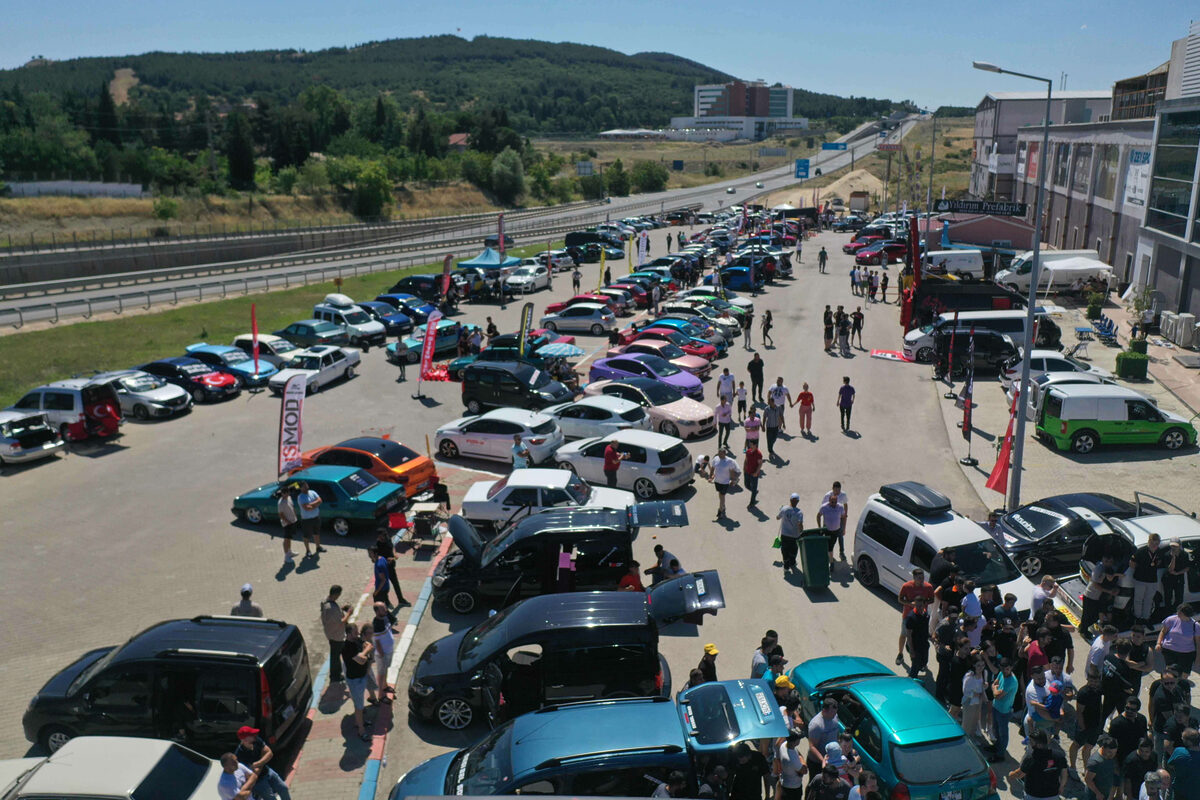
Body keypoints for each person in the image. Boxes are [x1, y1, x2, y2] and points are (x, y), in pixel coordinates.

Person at [341, 622, 377, 741]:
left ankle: (359, 721)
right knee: (359, 706)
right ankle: (361, 730)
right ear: (349, 633)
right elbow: (360, 660)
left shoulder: (357, 641)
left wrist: (365, 650)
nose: (358, 633)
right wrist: (366, 650)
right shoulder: (346, 647)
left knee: (360, 704)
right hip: (355, 681)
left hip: (362, 677)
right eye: (355, 632)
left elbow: (366, 648)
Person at [234, 725, 291, 800]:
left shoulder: (256, 740)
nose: (255, 735)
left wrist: (257, 763)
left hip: (268, 772)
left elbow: (269, 753)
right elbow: (253, 773)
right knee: (271, 798)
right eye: (251, 735)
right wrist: (263, 758)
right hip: (259, 782)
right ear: (245, 740)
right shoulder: (240, 755)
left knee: (283, 789)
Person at [1009, 729, 1068, 800]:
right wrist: (1061, 786)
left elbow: (1019, 775)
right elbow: (1064, 773)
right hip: (1052, 794)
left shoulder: (1031, 758)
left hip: (1033, 795)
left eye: (1031, 742)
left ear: (1039, 745)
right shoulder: (1059, 756)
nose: (1029, 743)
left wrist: (1011, 774)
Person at [898, 568, 935, 666]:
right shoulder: (906, 586)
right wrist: (910, 604)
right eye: (919, 578)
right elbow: (900, 599)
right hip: (908, 616)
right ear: (914, 577)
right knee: (904, 634)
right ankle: (900, 653)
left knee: (921, 637)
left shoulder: (928, 587)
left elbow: (932, 600)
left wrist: (922, 604)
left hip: (922, 617)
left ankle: (921, 660)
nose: (922, 580)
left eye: (922, 578)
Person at [320, 585, 352, 684]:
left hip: (331, 633)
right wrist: (349, 613)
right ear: (336, 594)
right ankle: (335, 676)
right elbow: (342, 621)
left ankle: (337, 674)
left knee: (335, 655)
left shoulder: (326, 601)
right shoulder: (331, 608)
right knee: (335, 656)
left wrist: (341, 609)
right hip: (336, 635)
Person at [1131, 534, 1165, 625]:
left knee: (1149, 600)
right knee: (1138, 599)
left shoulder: (1159, 552)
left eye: (1157, 544)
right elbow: (1132, 563)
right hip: (1140, 579)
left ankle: (1146, 619)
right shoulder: (1141, 551)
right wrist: (1140, 569)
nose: (1154, 545)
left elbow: (1159, 562)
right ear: (1149, 541)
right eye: (1153, 543)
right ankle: (1138, 618)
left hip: (1152, 580)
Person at [1157, 604, 1200, 675]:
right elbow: (1163, 631)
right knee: (1170, 673)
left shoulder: (1195, 625)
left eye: (1180, 613)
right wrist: (1158, 643)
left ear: (1186, 614)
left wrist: (1198, 657)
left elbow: (1198, 643)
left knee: (1184, 674)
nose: (1177, 614)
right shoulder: (1171, 619)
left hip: (1187, 654)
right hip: (1170, 651)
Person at [991, 657, 1018, 762]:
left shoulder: (1011, 681)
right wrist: (995, 689)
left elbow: (997, 695)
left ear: (1011, 667)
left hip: (1004, 711)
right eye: (1002, 669)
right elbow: (996, 682)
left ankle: (1000, 755)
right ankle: (997, 747)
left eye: (1007, 669)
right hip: (996, 707)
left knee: (1003, 734)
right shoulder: (1002, 673)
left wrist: (994, 688)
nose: (1004, 671)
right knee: (995, 729)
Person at [806, 698, 841, 776]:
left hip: (831, 760)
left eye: (835, 712)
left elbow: (836, 733)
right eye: (832, 713)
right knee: (815, 783)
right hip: (817, 762)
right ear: (824, 710)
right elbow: (812, 747)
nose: (834, 715)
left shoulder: (835, 716)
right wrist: (823, 761)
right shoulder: (816, 725)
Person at [371, 602, 399, 702]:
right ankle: (381, 696)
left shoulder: (385, 617)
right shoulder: (376, 624)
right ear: (377, 611)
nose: (386, 610)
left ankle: (385, 686)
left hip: (389, 650)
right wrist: (381, 654)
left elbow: (392, 625)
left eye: (385, 607)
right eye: (383, 609)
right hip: (382, 654)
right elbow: (376, 641)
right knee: (381, 673)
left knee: (386, 669)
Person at [1168, 729, 1200, 800]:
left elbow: (1170, 765)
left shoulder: (1179, 751)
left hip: (1180, 791)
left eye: (1183, 739)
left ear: (1189, 742)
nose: (1182, 739)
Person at [905, 598, 932, 680]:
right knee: (915, 668)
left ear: (924, 604)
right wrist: (912, 651)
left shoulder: (925, 614)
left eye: (920, 605)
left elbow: (926, 628)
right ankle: (911, 681)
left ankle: (921, 666)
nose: (919, 607)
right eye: (917, 605)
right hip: (915, 645)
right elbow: (909, 635)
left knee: (924, 661)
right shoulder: (911, 617)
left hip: (924, 643)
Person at [776, 730, 808, 800]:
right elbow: (804, 770)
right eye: (799, 739)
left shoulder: (783, 745)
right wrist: (801, 758)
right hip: (793, 788)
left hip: (785, 782)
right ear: (794, 742)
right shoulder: (793, 759)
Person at [1085, 735, 1119, 800]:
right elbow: (1088, 779)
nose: (1113, 755)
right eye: (1109, 752)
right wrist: (1098, 793)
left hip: (1106, 792)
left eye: (1115, 752)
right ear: (1103, 748)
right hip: (1095, 796)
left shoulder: (1110, 756)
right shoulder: (1095, 762)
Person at [818, 492, 846, 567]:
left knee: (831, 545)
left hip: (836, 531)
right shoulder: (824, 507)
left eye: (835, 502)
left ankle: (829, 557)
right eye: (832, 502)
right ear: (829, 501)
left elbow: (843, 517)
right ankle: (831, 563)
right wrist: (820, 527)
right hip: (827, 530)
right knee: (829, 547)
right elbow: (818, 516)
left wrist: (843, 528)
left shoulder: (840, 507)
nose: (834, 504)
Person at [822, 482, 849, 561]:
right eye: (836, 491)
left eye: (839, 491)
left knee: (840, 536)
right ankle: (829, 553)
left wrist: (845, 516)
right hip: (829, 518)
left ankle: (841, 552)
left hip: (839, 518)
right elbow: (823, 508)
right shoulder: (827, 496)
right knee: (829, 537)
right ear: (833, 489)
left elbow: (845, 505)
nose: (837, 493)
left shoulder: (843, 495)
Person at [777, 494, 804, 572]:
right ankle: (792, 562)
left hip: (785, 534)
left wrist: (781, 511)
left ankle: (786, 566)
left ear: (790, 500)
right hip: (794, 535)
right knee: (794, 549)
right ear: (798, 501)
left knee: (785, 550)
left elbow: (777, 517)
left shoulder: (784, 509)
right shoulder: (799, 512)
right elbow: (800, 524)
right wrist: (801, 532)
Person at [710, 447, 739, 519]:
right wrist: (711, 476)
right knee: (720, 494)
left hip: (725, 482)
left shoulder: (729, 461)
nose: (719, 455)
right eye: (718, 453)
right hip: (717, 481)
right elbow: (712, 468)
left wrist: (733, 480)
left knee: (722, 496)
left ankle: (720, 510)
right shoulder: (716, 458)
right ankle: (723, 505)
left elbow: (732, 472)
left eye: (721, 454)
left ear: (724, 453)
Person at [296, 481, 323, 556]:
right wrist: (315, 503)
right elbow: (307, 508)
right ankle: (308, 550)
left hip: (316, 517)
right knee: (306, 536)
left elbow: (320, 500)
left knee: (317, 533)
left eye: (307, 485)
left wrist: (311, 504)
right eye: (304, 487)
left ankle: (318, 547)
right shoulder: (300, 497)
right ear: (301, 488)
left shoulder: (312, 492)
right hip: (307, 520)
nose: (307, 487)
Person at [1163, 539, 1190, 614]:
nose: (1173, 548)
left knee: (1179, 598)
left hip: (1179, 578)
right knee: (1168, 597)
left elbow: (1187, 568)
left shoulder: (1184, 554)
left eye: (1175, 546)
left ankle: (1177, 612)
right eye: (1172, 546)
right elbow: (1170, 569)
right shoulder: (1167, 555)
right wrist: (1173, 558)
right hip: (1168, 578)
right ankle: (1168, 613)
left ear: (1179, 546)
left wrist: (1178, 573)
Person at [277, 487, 298, 563]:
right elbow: (281, 514)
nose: (287, 495)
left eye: (288, 493)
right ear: (282, 493)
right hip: (287, 524)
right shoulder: (280, 503)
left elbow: (292, 507)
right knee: (286, 539)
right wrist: (288, 521)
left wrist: (295, 516)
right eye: (285, 493)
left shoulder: (289, 498)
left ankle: (290, 552)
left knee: (289, 538)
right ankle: (286, 557)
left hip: (293, 521)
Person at [743, 442, 763, 507]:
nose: (750, 446)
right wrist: (744, 468)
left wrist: (756, 473)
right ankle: (754, 492)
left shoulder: (759, 454)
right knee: (746, 485)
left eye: (751, 444)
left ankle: (752, 502)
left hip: (754, 474)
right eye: (750, 444)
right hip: (747, 472)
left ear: (755, 445)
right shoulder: (748, 451)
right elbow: (746, 460)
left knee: (754, 488)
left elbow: (760, 464)